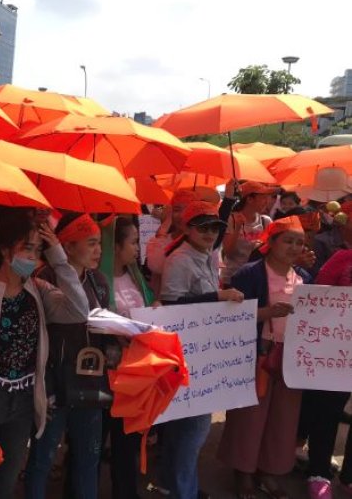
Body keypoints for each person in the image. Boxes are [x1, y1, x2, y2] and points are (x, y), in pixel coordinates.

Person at [0, 213, 89, 499]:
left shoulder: (38, 290)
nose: (33, 256)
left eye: (38, 250)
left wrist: (58, 257)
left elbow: (79, 310)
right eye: (27, 248)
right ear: (5, 249)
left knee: (6, 482)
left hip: (23, 401)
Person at [218, 216, 309, 499]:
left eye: (299, 242)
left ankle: (268, 471)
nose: (293, 247)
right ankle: (243, 473)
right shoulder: (249, 274)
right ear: (271, 243)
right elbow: (230, 316)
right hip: (257, 353)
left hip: (290, 358)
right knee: (249, 416)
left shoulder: (305, 278)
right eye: (288, 240)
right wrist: (265, 314)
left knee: (283, 418)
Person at [159, 199, 245, 499]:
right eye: (204, 227)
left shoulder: (205, 254)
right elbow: (171, 304)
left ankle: (179, 485)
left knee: (185, 428)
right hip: (187, 352)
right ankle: (184, 490)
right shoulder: (180, 259)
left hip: (202, 350)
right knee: (193, 429)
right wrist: (217, 297)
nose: (210, 233)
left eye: (215, 228)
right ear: (188, 228)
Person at [25, 212, 110, 499]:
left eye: (99, 243)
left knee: (88, 459)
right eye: (90, 243)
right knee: (42, 459)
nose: (98, 250)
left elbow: (101, 326)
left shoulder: (99, 281)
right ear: (67, 246)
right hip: (54, 383)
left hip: (90, 383)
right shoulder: (42, 278)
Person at [99, 215, 157, 499]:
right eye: (133, 242)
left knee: (127, 442)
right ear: (115, 245)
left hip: (135, 374)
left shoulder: (136, 277)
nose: (137, 248)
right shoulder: (97, 281)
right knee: (95, 443)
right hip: (106, 374)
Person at [294, 246, 352, 499]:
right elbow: (315, 303)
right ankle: (319, 472)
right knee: (326, 413)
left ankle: (349, 477)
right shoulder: (343, 258)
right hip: (336, 351)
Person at [221, 182, 275, 286]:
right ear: (250, 199)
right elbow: (228, 252)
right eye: (263, 198)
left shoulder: (266, 221)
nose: (266, 202)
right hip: (233, 279)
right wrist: (237, 228)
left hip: (257, 280)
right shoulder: (231, 219)